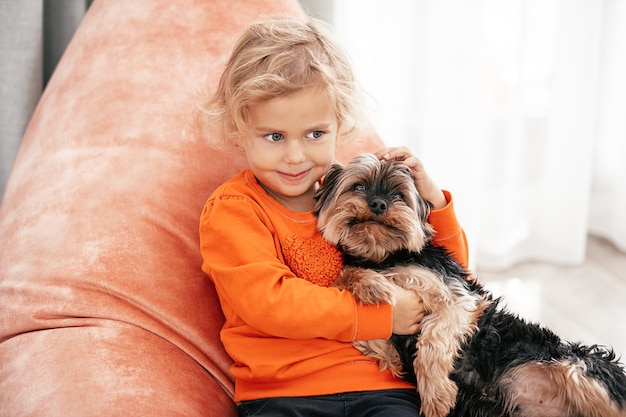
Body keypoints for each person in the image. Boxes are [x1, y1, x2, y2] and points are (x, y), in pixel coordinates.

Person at [198, 16, 469, 417]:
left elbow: (453, 275)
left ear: (338, 126)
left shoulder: (349, 194)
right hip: (283, 392)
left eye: (315, 134)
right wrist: (380, 316)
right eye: (274, 136)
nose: (295, 156)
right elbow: (269, 302)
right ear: (241, 127)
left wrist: (431, 201)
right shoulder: (235, 209)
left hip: (383, 383)